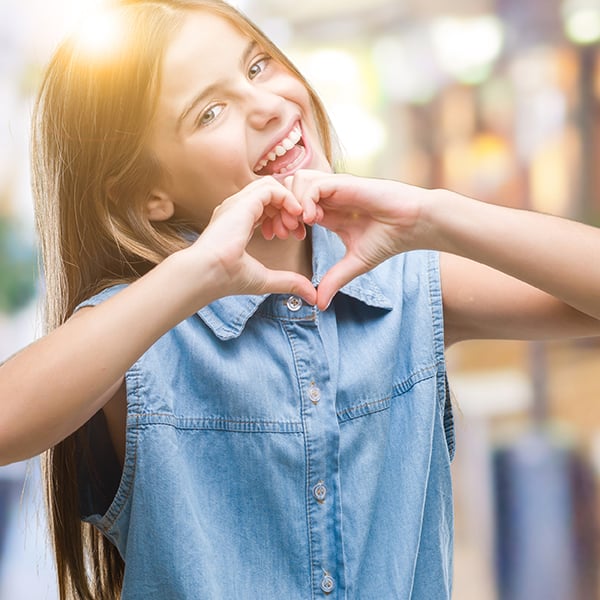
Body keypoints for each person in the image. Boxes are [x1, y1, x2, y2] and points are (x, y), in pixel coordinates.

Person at [1, 0, 600, 598]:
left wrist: (431, 212)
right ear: (147, 195)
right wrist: (197, 272)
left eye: (258, 66)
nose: (266, 106)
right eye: (209, 112)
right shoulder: (139, 337)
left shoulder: (407, 285)